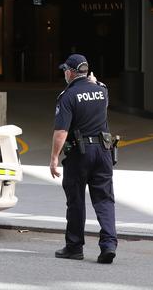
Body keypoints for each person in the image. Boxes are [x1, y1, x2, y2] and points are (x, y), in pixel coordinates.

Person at [50, 53, 117, 264]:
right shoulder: (102, 91)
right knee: (104, 199)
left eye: (65, 71)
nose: (64, 74)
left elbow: (61, 132)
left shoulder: (67, 96)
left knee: (76, 200)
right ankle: (108, 245)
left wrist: (53, 158)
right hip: (104, 152)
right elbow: (101, 96)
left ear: (70, 72)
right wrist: (95, 82)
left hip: (80, 154)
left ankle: (74, 247)